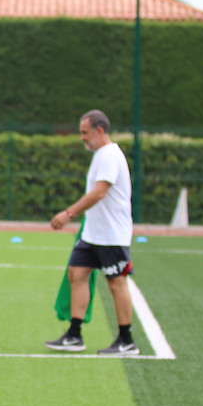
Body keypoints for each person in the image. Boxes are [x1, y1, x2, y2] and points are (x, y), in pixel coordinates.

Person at [45, 109, 137, 356]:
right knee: (77, 274)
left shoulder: (109, 155)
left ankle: (126, 340)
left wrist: (69, 214)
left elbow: (99, 192)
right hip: (93, 234)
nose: (82, 138)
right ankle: (74, 335)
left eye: (85, 133)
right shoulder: (101, 154)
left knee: (117, 283)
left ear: (99, 130)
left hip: (111, 235)